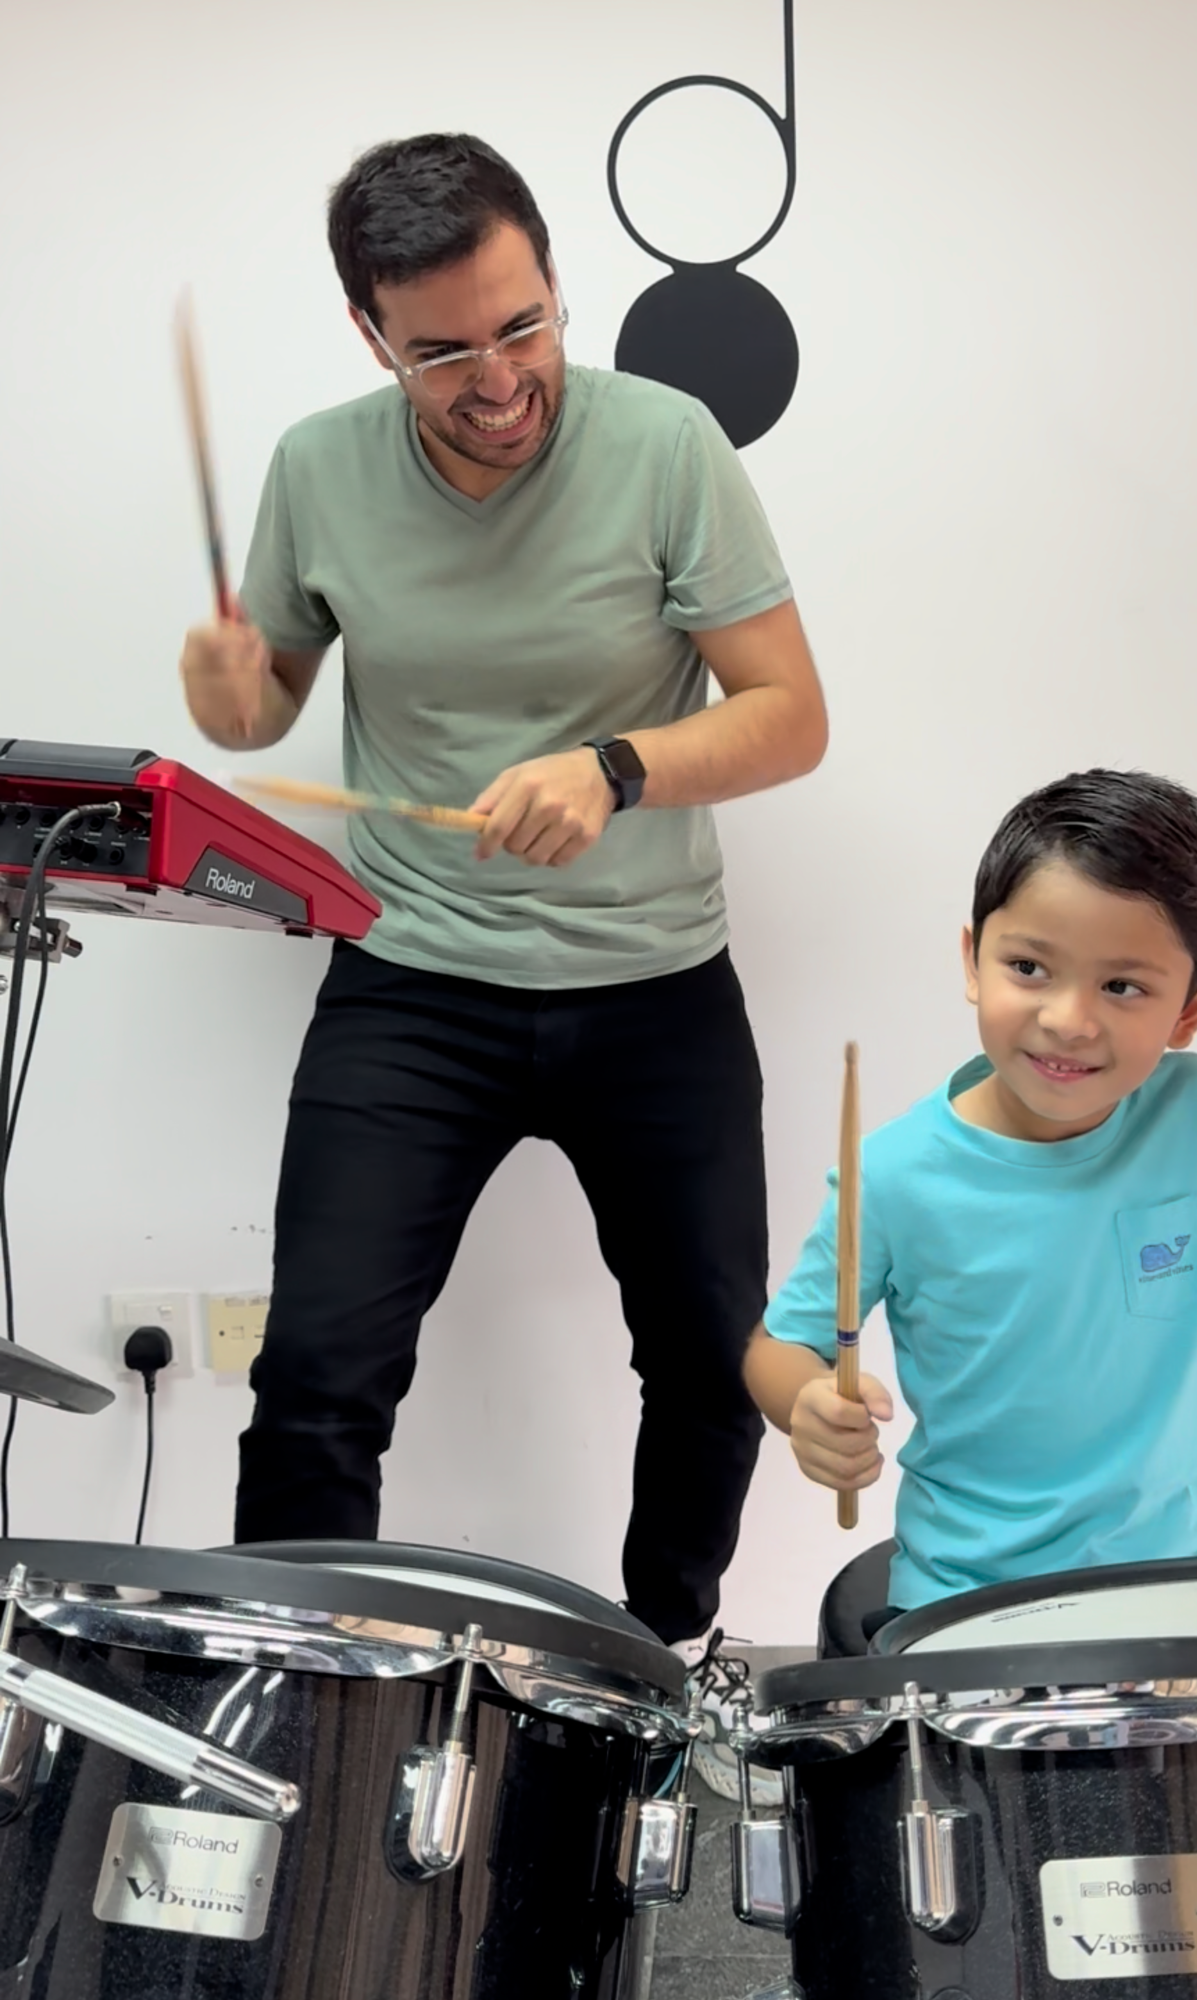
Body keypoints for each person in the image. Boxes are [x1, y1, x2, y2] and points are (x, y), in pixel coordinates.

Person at [177, 133, 827, 1705]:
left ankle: (664, 1671)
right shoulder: (318, 465)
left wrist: (617, 768)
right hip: (411, 985)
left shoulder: (666, 445)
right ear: (372, 335)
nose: (499, 377)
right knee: (319, 1374)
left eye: (523, 324)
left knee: (711, 1362)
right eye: (445, 349)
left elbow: (789, 716)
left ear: (553, 283)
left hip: (655, 985)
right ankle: (299, 1696)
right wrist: (228, 690)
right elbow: (259, 708)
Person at [745, 769, 1197, 1621]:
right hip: (971, 1598)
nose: (1069, 1020)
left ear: (1191, 1009)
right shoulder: (896, 1173)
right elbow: (776, 1347)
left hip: (1182, 1582)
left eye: (1122, 986)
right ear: (971, 961)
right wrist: (804, 1406)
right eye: (1028, 967)